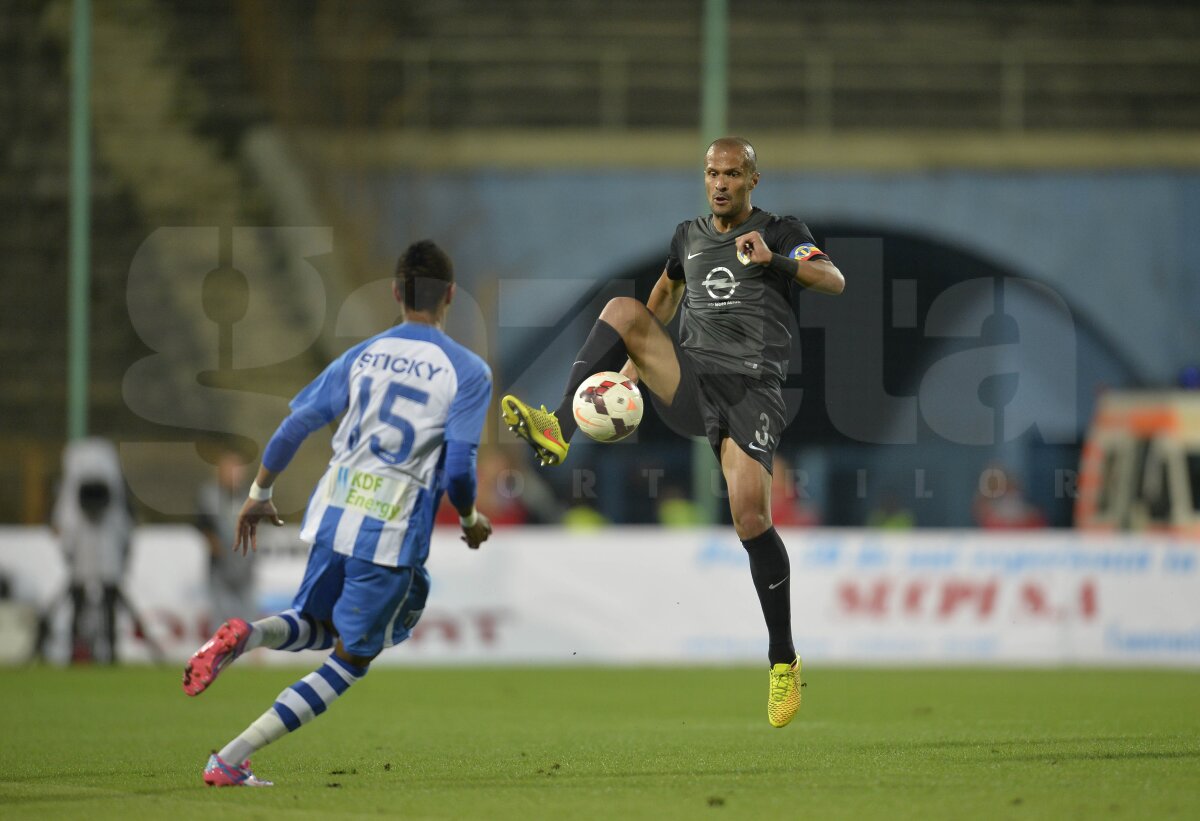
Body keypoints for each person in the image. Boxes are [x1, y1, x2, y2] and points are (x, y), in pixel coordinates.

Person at [501, 137, 844, 728]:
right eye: (712, 172)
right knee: (624, 309)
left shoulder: (782, 231)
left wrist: (776, 261)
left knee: (750, 518)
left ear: (752, 180)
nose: (720, 183)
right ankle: (558, 426)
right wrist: (628, 371)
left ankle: (782, 659)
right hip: (692, 379)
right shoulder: (687, 236)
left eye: (732, 174)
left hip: (751, 390)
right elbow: (662, 297)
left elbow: (832, 280)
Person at [182, 240, 494, 787]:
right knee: (350, 660)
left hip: (333, 513)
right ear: (449, 296)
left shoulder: (363, 354)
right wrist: (469, 520)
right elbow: (461, 469)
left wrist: (258, 492)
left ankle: (245, 634)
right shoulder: (466, 370)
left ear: (396, 292)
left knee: (318, 627)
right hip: (391, 529)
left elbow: (295, 425)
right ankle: (231, 758)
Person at [51, 437, 135, 664]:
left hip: (101, 542)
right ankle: (79, 650)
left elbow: (63, 516)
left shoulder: (101, 506)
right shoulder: (84, 500)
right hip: (87, 542)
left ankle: (106, 649)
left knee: (105, 600)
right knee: (80, 598)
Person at [196, 446, 258, 629]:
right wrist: (215, 545)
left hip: (245, 564)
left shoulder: (249, 496)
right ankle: (222, 652)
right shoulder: (209, 495)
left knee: (248, 612)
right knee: (221, 614)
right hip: (221, 564)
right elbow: (202, 524)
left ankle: (252, 651)